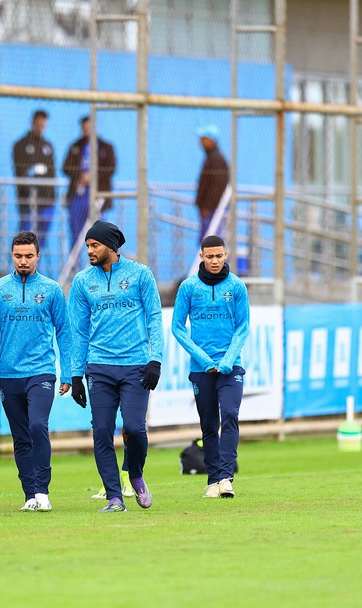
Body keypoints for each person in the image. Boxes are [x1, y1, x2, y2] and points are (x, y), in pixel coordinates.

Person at [68, 220, 163, 513]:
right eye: (87, 246)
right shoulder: (82, 281)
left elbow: (155, 317)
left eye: (94, 245)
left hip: (135, 366)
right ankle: (114, 497)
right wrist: (75, 374)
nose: (89, 251)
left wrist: (155, 359)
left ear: (111, 246)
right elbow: (79, 330)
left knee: (135, 428)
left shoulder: (140, 274)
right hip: (99, 368)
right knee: (102, 431)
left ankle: (134, 473)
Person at [0, 231, 71, 512]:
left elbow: (65, 331)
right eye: (18, 256)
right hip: (8, 374)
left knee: (37, 426)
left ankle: (43, 490)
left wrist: (67, 372)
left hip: (41, 371)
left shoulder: (52, 289)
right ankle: (29, 494)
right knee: (20, 436)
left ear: (38, 256)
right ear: (11, 256)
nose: (23, 261)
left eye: (28, 256)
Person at [171, 235, 249, 499]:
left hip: (230, 368)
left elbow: (243, 326)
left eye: (219, 256)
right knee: (208, 424)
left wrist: (227, 360)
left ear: (226, 255)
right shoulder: (189, 287)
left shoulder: (237, 286)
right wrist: (204, 360)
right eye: (209, 256)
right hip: (201, 369)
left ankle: (226, 478)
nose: (214, 261)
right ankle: (213, 479)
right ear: (202, 257)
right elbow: (177, 327)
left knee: (229, 415)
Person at [62, 116, 117, 248]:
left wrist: (93, 176)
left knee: (99, 233)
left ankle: (99, 266)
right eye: (84, 128)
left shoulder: (106, 147)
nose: (87, 131)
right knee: (76, 233)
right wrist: (80, 177)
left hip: (98, 194)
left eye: (89, 128)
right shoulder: (75, 146)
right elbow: (66, 167)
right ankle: (76, 267)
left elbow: (111, 168)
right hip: (78, 194)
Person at [12, 109, 57, 237]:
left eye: (43, 123)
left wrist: (53, 194)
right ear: (33, 122)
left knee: (42, 236)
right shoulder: (20, 145)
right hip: (28, 199)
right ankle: (22, 256)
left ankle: (38, 256)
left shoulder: (48, 145)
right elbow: (20, 171)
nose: (41, 126)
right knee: (26, 234)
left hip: (47, 199)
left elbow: (52, 171)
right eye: (39, 122)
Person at [195, 124, 229, 242]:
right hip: (210, 209)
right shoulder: (211, 158)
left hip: (213, 209)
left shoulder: (216, 159)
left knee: (212, 240)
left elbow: (217, 186)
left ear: (211, 140)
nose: (200, 142)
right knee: (207, 239)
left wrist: (207, 206)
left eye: (203, 138)